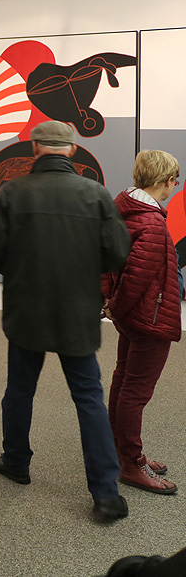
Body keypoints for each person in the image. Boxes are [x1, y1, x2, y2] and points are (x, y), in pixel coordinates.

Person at [0, 120, 131, 522]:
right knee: (88, 397)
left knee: (20, 389)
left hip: (26, 309)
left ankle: (16, 462)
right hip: (77, 312)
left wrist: (22, 270)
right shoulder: (95, 194)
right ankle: (106, 494)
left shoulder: (11, 192)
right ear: (72, 151)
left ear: (34, 148)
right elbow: (118, 252)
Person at [101, 150, 181, 495]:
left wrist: (112, 304)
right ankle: (131, 465)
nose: (175, 186)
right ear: (167, 181)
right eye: (175, 180)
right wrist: (117, 307)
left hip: (132, 317)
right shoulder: (151, 222)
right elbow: (136, 277)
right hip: (148, 319)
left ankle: (120, 452)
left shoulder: (124, 208)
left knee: (123, 382)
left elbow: (106, 261)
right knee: (135, 391)